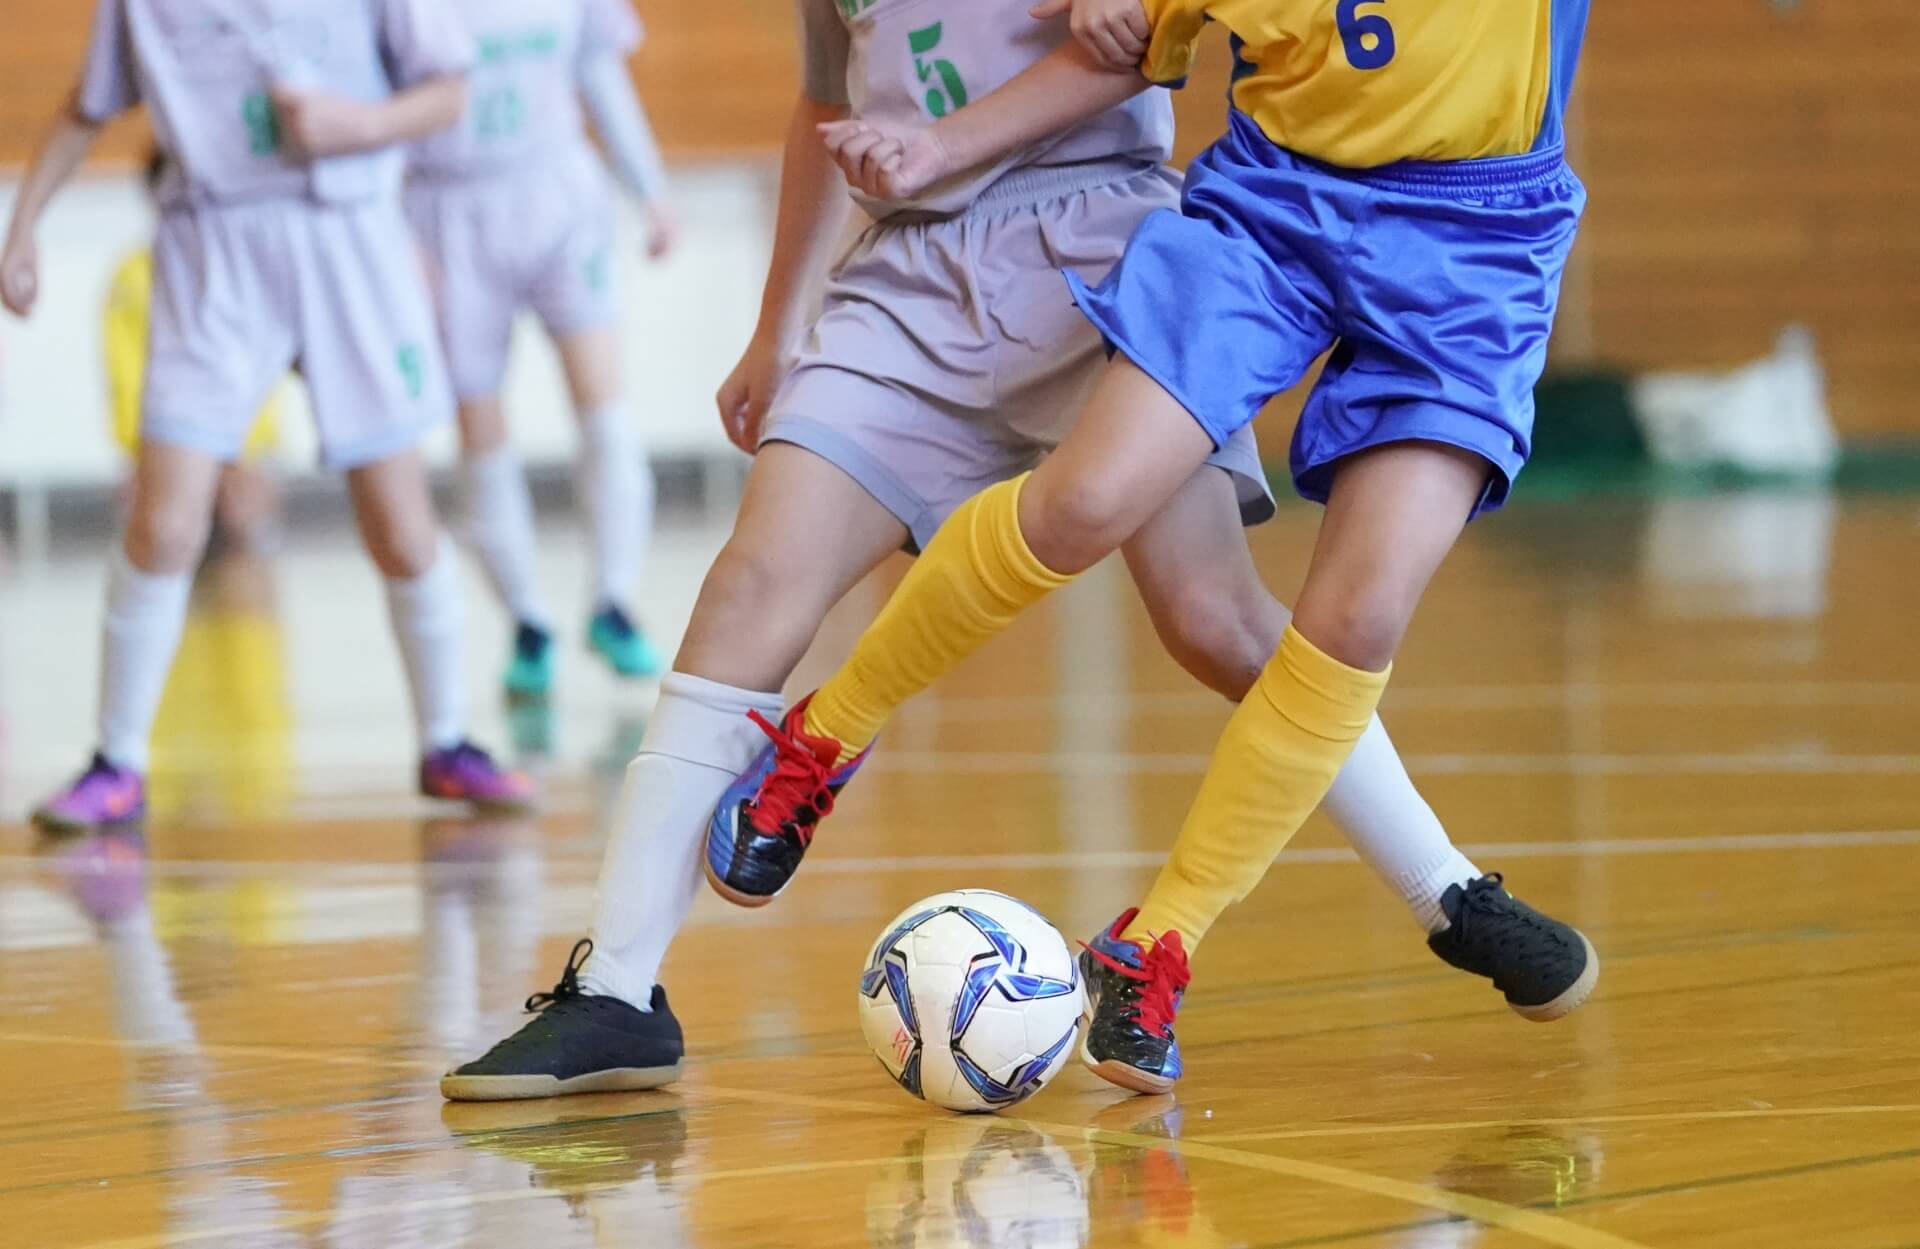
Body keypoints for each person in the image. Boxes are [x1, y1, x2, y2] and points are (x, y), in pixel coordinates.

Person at [437, 0, 1590, 1102]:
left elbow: (1137, 48)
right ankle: (617, 990)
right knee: (750, 585)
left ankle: (1445, 888)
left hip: (1104, 242)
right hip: (910, 277)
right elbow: (817, 101)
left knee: (1220, 623)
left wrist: (948, 136)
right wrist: (777, 325)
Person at [3, 0, 534, 833]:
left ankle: (448, 742)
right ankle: (116, 760)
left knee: (400, 527)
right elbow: (86, 103)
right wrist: (24, 225)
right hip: (214, 249)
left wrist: (355, 125)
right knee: (165, 524)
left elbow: (448, 93)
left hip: (347, 235)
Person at [406, 0, 678, 698]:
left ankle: (613, 601)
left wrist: (649, 186)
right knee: (480, 426)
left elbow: (599, 70)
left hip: (556, 192)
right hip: (447, 211)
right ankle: (528, 620)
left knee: (602, 401)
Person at [107, 149, 286, 557]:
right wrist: (139, 448)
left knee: (243, 521)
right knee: (163, 533)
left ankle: (247, 611)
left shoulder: (244, 270)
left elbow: (262, 364)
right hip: (162, 435)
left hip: (241, 441)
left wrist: (250, 446)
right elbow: (124, 371)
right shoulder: (133, 278)